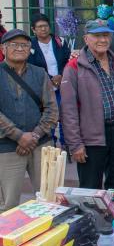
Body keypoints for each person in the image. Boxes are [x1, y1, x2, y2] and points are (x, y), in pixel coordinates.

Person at [61, 20, 114, 190]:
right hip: (90, 138)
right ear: (86, 39)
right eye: (97, 36)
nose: (102, 40)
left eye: (106, 35)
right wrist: (75, 144)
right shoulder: (73, 67)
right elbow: (68, 110)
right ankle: (93, 218)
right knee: (90, 189)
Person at [0, 29, 58, 210]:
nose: (19, 48)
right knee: (7, 204)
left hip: (41, 144)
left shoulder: (40, 73)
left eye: (24, 45)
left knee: (50, 199)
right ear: (3, 48)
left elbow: (52, 109)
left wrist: (34, 135)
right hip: (7, 147)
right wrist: (18, 136)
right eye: (14, 45)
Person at [27, 14, 70, 147]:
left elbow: (68, 60)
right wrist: (50, 79)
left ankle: (66, 143)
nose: (43, 29)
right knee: (48, 115)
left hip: (62, 84)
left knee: (65, 114)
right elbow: (31, 66)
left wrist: (61, 75)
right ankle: (50, 143)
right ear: (33, 29)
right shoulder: (31, 45)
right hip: (43, 86)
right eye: (39, 27)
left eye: (45, 26)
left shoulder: (59, 41)